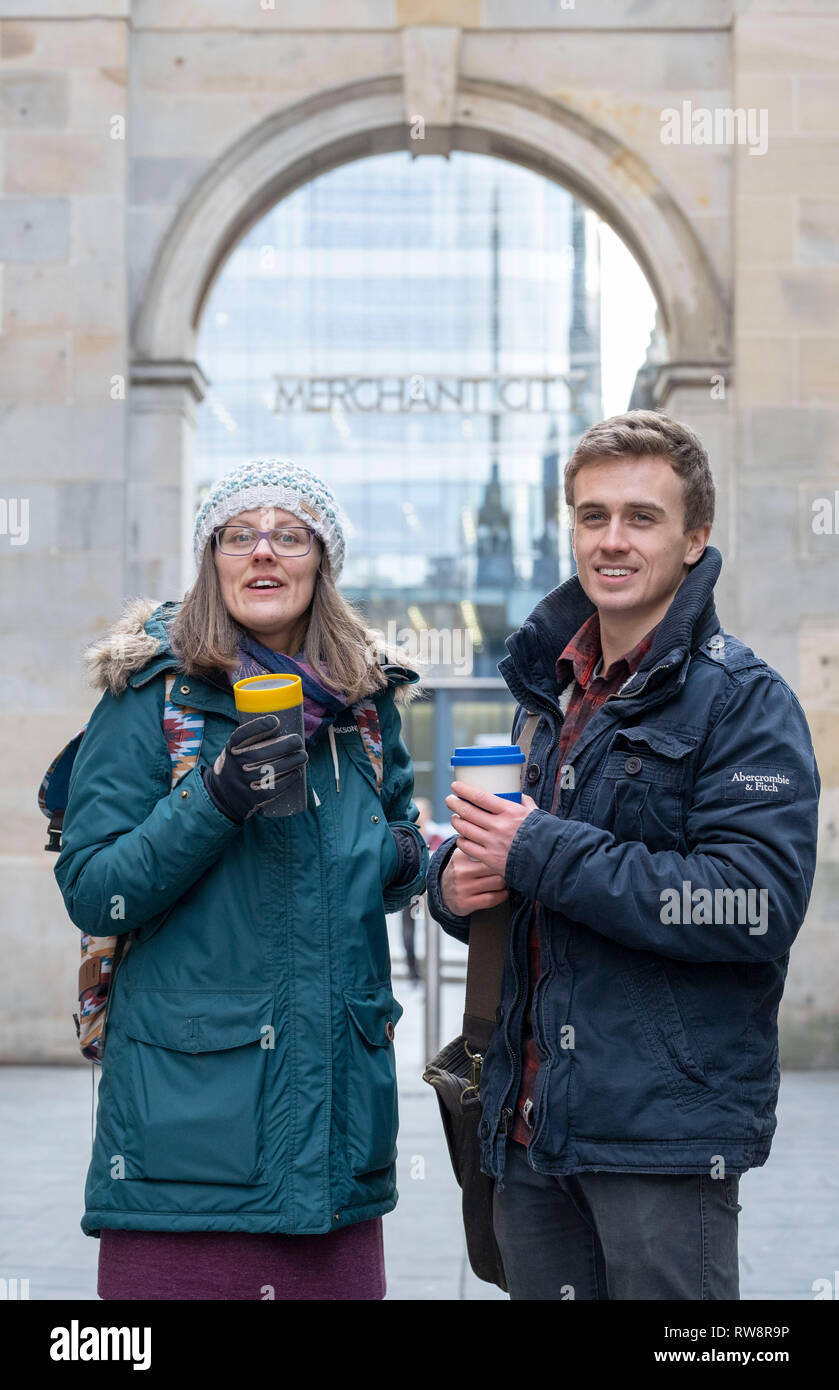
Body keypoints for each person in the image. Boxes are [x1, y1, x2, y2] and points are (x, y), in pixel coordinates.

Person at [425, 410, 820, 1301]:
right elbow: (522, 893)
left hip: (661, 1139)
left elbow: (750, 905)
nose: (611, 539)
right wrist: (459, 885)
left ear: (694, 539)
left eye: (641, 517)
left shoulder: (742, 701)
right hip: (527, 1131)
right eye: (591, 516)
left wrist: (536, 849)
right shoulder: (547, 696)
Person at [54, 459, 429, 1301]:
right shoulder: (148, 691)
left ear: (320, 559)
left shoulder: (367, 702)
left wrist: (412, 862)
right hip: (183, 1144)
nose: (264, 553)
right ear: (210, 557)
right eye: (239, 535)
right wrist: (215, 796)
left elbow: (393, 846)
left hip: (336, 1140)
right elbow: (94, 886)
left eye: (289, 535)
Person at [399, 797, 446, 983]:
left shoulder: (436, 836)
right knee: (408, 934)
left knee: (432, 933)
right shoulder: (406, 835)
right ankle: (414, 972)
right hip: (411, 893)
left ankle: (431, 971)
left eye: (422, 811)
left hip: (431, 893)